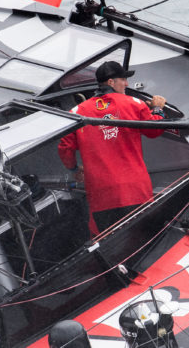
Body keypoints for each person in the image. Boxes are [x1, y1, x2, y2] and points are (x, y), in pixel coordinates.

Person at [58, 61, 166, 235]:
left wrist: (74, 168)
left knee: (111, 245)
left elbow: (65, 147)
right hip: (135, 191)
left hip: (102, 196)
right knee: (146, 239)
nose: (127, 84)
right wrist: (158, 109)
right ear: (111, 82)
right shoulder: (135, 103)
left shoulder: (76, 112)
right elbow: (155, 130)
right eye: (123, 79)